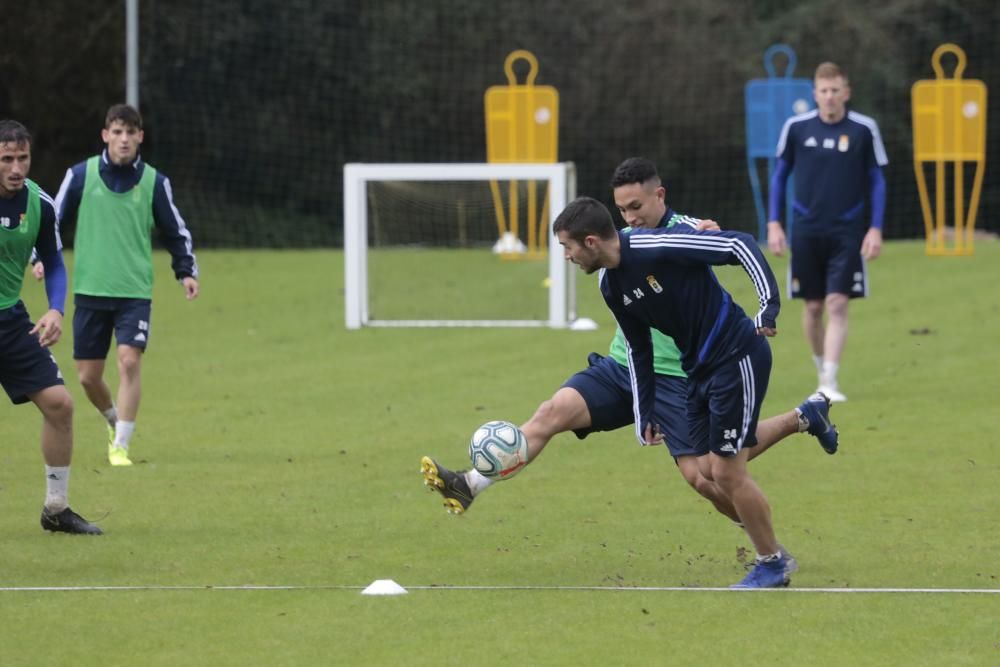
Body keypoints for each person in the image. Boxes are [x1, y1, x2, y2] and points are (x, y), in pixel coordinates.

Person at [422, 158, 838, 581]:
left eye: (636, 207)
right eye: (622, 211)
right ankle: (471, 482)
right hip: (626, 369)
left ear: (660, 196)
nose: (630, 218)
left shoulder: (682, 233)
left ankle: (794, 446)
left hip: (681, 374)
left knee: (708, 474)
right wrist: (644, 410)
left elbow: (733, 245)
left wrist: (762, 300)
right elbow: (637, 342)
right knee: (552, 413)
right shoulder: (612, 270)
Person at [553, 193, 790, 588]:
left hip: (736, 355)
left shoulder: (657, 244)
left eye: (567, 247)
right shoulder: (611, 286)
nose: (566, 257)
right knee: (706, 472)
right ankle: (804, 420)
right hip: (696, 370)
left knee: (728, 472)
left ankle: (773, 563)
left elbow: (738, 244)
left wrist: (767, 307)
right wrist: (644, 412)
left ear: (590, 242)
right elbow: (639, 350)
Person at [55, 104, 199, 466]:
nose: (123, 139)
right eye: (116, 132)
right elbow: (50, 222)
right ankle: (112, 420)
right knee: (88, 377)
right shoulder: (80, 175)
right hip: (90, 290)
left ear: (140, 138)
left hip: (134, 292)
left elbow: (174, 231)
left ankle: (121, 445)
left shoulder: (155, 183)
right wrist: (40, 257)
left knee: (129, 361)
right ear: (105, 135)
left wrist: (186, 271)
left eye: (130, 133)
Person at [0, 119, 102, 534]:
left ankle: (56, 509)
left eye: (22, 158)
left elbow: (54, 262)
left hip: (10, 321)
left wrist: (56, 309)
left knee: (60, 405)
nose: (16, 167)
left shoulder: (39, 202)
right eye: (6, 159)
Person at [767, 61, 888, 403]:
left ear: (846, 93)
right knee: (813, 307)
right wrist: (774, 223)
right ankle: (821, 370)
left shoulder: (864, 130)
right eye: (824, 91)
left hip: (847, 231)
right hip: (805, 230)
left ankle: (829, 380)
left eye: (836, 90)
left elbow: (877, 181)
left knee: (837, 303)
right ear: (815, 94)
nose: (830, 97)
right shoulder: (796, 128)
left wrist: (875, 229)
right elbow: (779, 177)